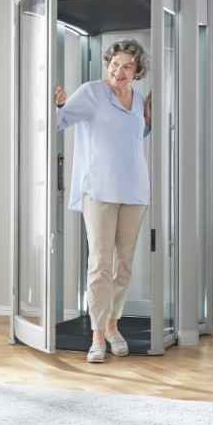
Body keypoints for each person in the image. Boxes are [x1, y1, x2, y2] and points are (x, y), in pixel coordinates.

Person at [53, 39, 152, 363]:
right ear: (107, 63)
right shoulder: (92, 92)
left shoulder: (137, 99)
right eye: (115, 64)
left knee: (123, 263)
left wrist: (148, 121)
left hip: (135, 190)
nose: (119, 71)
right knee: (100, 262)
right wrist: (57, 106)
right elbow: (60, 122)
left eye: (127, 66)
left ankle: (113, 327)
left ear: (137, 71)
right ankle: (97, 337)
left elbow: (132, 136)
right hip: (99, 189)